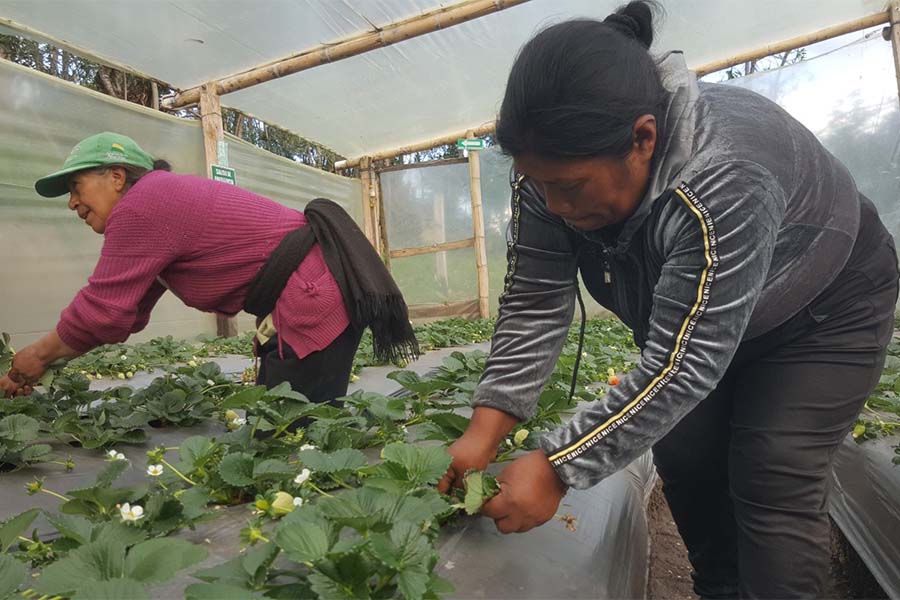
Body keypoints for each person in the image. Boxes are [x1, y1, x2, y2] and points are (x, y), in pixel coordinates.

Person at [436, 2, 899, 598]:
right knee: (685, 454)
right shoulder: (549, 171)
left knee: (773, 472)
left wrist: (559, 465)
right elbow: (534, 299)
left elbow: (686, 362)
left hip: (822, 311)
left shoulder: (725, 175)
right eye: (540, 184)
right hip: (705, 312)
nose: (554, 206)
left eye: (569, 187)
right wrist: (484, 430)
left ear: (643, 139)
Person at [0, 132, 418, 407]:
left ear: (116, 177)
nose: (72, 203)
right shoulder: (158, 207)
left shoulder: (142, 206)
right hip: (312, 293)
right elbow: (117, 316)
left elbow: (100, 310)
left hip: (311, 297)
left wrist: (36, 355)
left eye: (75, 187)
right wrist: (44, 362)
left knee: (293, 437)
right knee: (286, 428)